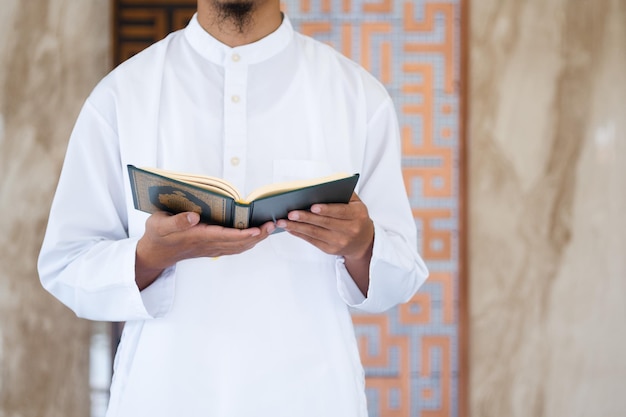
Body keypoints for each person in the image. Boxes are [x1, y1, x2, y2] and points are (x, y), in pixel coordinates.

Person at [38, 0, 429, 416]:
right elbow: (66, 265)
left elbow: (402, 275)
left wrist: (363, 245)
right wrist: (149, 257)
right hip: (162, 395)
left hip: (313, 396)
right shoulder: (122, 95)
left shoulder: (357, 97)